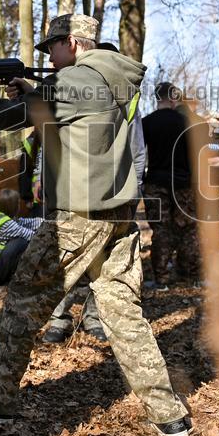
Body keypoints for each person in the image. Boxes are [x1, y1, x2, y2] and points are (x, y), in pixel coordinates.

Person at [0, 14, 192, 436]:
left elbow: (6, 117)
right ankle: (170, 417)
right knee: (124, 315)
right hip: (119, 213)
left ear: (73, 42)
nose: (49, 58)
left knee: (22, 303)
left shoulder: (71, 82)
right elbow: (77, 118)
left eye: (52, 48)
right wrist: (36, 94)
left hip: (77, 215)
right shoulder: (114, 78)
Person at [42, 41, 142, 343]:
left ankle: (93, 318)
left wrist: (131, 192)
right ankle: (58, 319)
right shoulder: (65, 91)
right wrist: (37, 175)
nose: (49, 62)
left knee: (98, 266)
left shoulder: (119, 96)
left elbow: (136, 150)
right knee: (61, 264)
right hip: (61, 191)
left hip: (98, 198)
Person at [142, 82, 202, 285]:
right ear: (174, 98)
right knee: (188, 229)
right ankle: (189, 276)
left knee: (160, 229)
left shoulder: (146, 123)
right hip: (184, 183)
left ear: (156, 98)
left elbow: (139, 154)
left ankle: (162, 278)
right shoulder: (187, 123)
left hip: (156, 182)